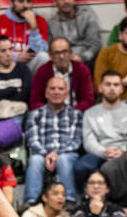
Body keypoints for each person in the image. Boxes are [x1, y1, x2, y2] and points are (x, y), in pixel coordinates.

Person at [79, 71, 127, 189]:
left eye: (116, 85)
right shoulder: (90, 113)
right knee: (80, 166)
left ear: (121, 88)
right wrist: (103, 152)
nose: (112, 88)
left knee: (119, 165)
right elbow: (89, 141)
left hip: (124, 153)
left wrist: (122, 151)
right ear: (101, 88)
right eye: (108, 84)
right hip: (99, 152)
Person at [23, 76, 84, 205]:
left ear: (67, 94)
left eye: (60, 89)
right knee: (35, 160)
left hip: (67, 154)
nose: (56, 92)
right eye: (52, 88)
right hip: (41, 154)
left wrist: (57, 154)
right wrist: (46, 154)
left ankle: (69, 200)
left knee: (64, 159)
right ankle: (31, 203)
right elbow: (32, 140)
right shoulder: (35, 114)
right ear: (46, 93)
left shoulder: (76, 114)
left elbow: (76, 141)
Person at [0, 0, 49, 65]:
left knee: (43, 57)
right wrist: (15, 57)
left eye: (28, 1)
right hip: (7, 63)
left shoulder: (39, 20)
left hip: (29, 64)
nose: (25, 5)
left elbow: (41, 50)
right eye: (20, 1)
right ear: (12, 2)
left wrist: (34, 27)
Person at [30, 38, 95, 112]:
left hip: (76, 113)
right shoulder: (42, 71)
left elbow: (88, 101)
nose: (61, 56)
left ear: (71, 53)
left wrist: (71, 113)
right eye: (57, 53)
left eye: (65, 52)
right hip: (48, 114)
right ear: (50, 56)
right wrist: (51, 113)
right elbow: (35, 102)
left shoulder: (81, 69)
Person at [46, 0, 102, 68]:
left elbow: (95, 44)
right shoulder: (51, 23)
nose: (66, 1)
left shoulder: (87, 17)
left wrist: (82, 57)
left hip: (85, 60)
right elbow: (50, 47)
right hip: (61, 60)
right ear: (55, 1)